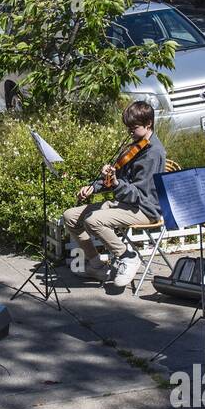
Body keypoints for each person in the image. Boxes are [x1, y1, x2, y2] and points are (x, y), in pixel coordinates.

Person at [62, 100, 166, 290]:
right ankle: (96, 265)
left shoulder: (153, 154)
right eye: (127, 128)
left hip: (144, 208)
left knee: (93, 220)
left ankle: (128, 257)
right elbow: (116, 176)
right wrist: (95, 186)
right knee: (70, 216)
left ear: (148, 123)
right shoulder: (136, 145)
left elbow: (138, 194)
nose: (129, 132)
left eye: (133, 128)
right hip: (125, 203)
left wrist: (116, 182)